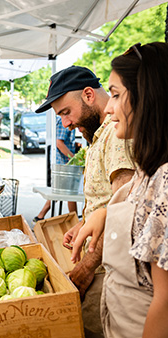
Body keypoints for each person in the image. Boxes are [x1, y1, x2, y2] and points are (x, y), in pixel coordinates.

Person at [70, 42, 168, 338]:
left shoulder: (165, 179)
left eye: (115, 95)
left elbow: (164, 304)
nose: (109, 107)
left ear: (147, 97)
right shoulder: (150, 170)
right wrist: (103, 217)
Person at [35, 65, 135, 337]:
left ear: (89, 95)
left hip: (106, 269)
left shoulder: (116, 137)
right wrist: (83, 224)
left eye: (66, 112)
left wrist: (87, 267)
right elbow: (106, 202)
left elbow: (123, 211)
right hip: (99, 262)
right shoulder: (98, 136)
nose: (65, 123)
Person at [33, 115, 77, 224]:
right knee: (71, 194)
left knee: (59, 192)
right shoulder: (66, 121)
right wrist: (74, 158)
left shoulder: (61, 120)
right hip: (63, 164)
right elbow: (59, 143)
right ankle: (76, 221)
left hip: (61, 163)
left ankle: (40, 216)